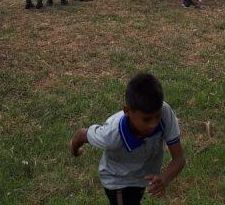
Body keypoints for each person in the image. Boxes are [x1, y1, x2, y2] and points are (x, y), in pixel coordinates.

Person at [69, 72, 185, 205]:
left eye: (157, 116)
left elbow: (179, 159)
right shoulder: (111, 135)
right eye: (146, 119)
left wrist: (164, 178)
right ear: (127, 111)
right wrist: (74, 148)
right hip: (119, 182)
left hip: (141, 176)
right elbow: (82, 135)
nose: (153, 124)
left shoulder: (164, 113)